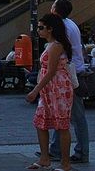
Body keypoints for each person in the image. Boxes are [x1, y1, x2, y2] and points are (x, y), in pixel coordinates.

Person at [26, 13, 74, 171]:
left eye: (41, 27)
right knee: (41, 122)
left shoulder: (56, 45)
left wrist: (35, 90)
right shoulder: (50, 45)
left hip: (58, 87)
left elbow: (51, 71)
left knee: (62, 125)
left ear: (51, 29)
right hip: (49, 87)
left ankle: (65, 163)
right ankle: (44, 158)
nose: (38, 30)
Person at [47, 0, 88, 165]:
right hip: (74, 71)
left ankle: (81, 151)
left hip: (69, 74)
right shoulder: (71, 24)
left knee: (76, 115)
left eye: (52, 5)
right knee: (62, 112)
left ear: (56, 10)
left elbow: (60, 51)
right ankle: (56, 149)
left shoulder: (62, 27)